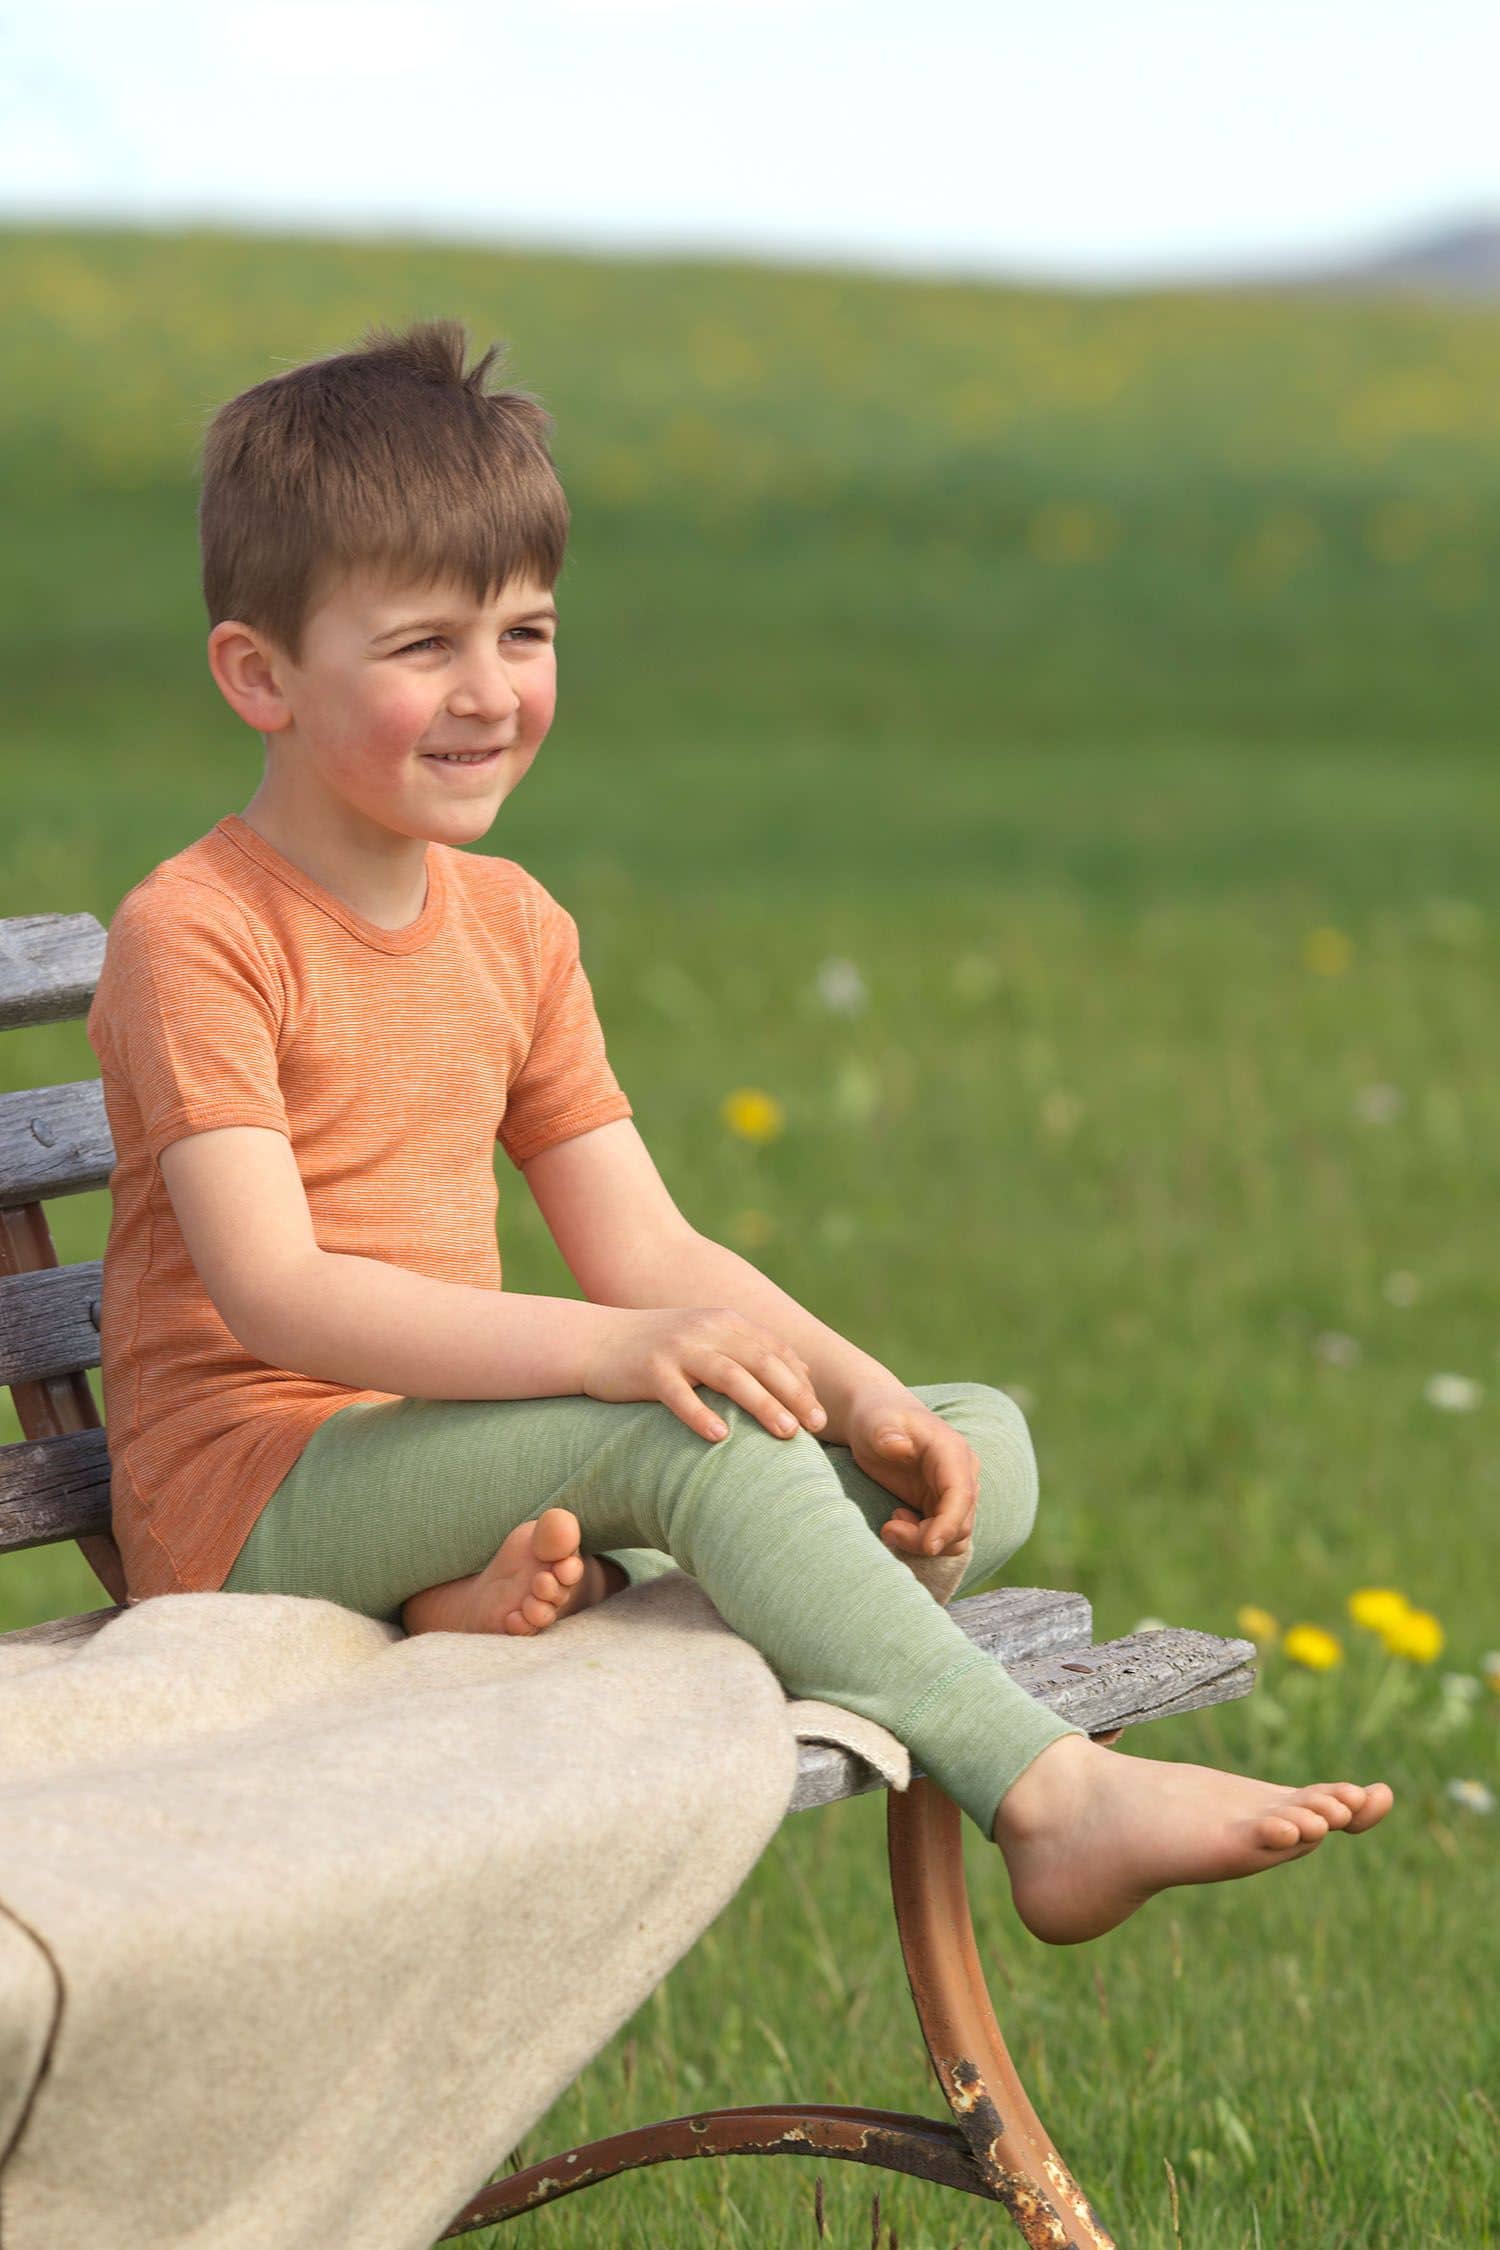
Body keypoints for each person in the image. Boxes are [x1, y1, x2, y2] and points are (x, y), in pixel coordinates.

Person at [86, 319, 1391, 1946]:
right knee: (683, 1432)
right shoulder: (198, 931)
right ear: (258, 673)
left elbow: (652, 1246)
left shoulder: (514, 926)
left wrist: (862, 1392)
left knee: (969, 1438)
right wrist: (621, 1354)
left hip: (449, 1444)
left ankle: (493, 1595)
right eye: (423, 645)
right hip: (258, 1490)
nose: (489, 691)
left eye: (526, 629)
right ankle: (1052, 1796)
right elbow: (275, 1292)